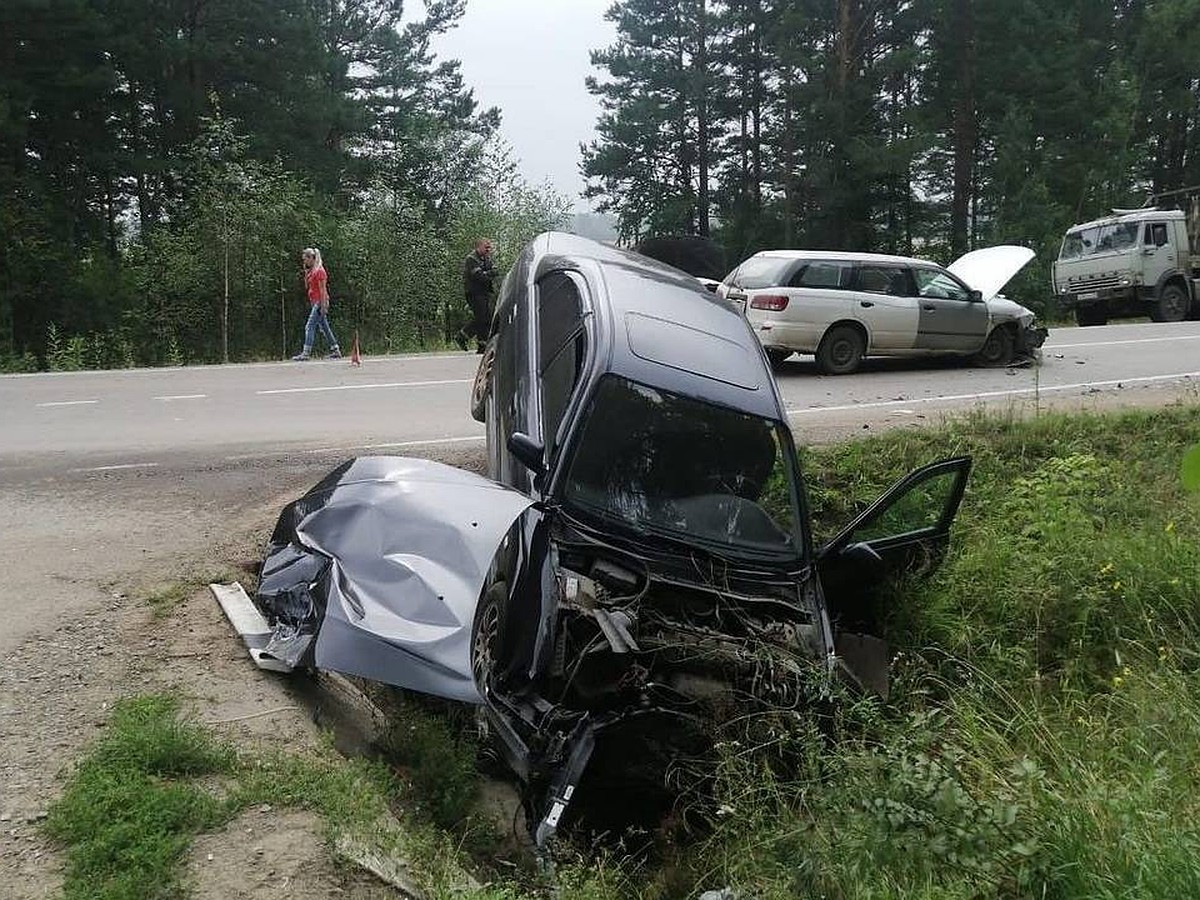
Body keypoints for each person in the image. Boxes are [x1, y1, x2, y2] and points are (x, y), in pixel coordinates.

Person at [292, 247, 341, 361]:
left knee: (309, 326)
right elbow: (307, 287)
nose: (304, 262)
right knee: (324, 327)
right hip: (315, 302)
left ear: (311, 258)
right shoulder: (312, 271)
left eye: (305, 259)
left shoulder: (320, 271)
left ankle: (306, 352)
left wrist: (323, 305)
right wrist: (306, 272)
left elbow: (323, 290)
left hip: (319, 302)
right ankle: (335, 349)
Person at [458, 238, 495, 353]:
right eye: (486, 247)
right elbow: (479, 276)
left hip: (484, 292)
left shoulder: (486, 259)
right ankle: (477, 343)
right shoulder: (471, 259)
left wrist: (487, 273)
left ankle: (467, 338)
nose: (488, 250)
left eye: (489, 247)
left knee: (486, 318)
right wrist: (488, 273)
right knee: (482, 318)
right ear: (478, 247)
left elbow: (495, 270)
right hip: (474, 292)